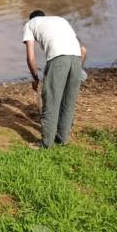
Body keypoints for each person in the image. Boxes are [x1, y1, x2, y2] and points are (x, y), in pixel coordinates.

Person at [22, 10, 87, 148]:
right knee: (68, 104)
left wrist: (35, 78)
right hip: (76, 59)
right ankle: (63, 140)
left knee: (51, 103)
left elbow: (30, 57)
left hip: (58, 60)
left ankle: (46, 145)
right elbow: (83, 50)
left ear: (32, 19)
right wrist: (78, 70)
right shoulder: (60, 20)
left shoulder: (30, 24)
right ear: (44, 17)